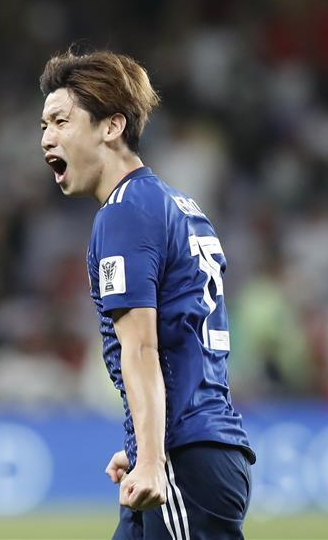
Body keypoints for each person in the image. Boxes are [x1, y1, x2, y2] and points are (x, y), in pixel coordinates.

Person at [39, 48, 255, 540]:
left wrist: (154, 458)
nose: (47, 137)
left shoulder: (125, 213)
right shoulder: (175, 204)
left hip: (183, 452)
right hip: (191, 446)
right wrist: (142, 444)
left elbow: (141, 347)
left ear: (111, 126)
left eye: (60, 120)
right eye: (43, 125)